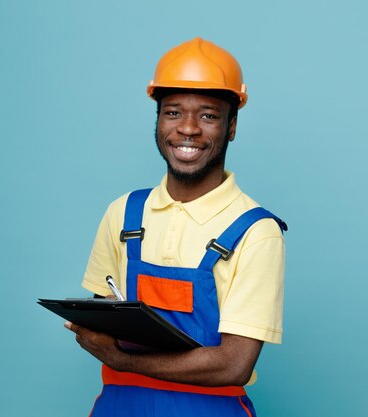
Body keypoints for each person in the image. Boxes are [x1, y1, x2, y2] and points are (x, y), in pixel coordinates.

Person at [65, 37, 287, 417]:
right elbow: (101, 321)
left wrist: (123, 361)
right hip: (120, 407)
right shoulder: (124, 214)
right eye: (172, 112)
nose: (187, 129)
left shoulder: (255, 231)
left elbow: (234, 364)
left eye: (208, 115)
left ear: (231, 126)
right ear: (158, 121)